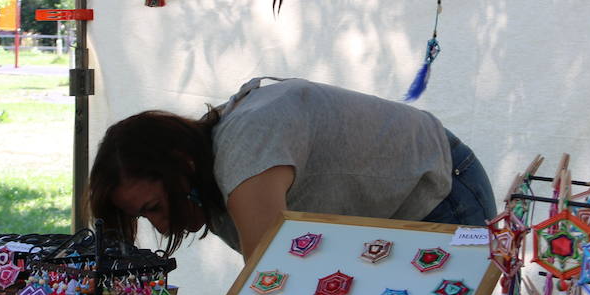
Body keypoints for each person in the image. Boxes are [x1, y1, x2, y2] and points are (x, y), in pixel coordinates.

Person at [87, 76, 497, 261]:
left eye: (153, 207)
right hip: (386, 216)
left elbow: (272, 280)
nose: (160, 227)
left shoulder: (245, 152)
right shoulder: (217, 181)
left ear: (181, 163)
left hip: (442, 194)